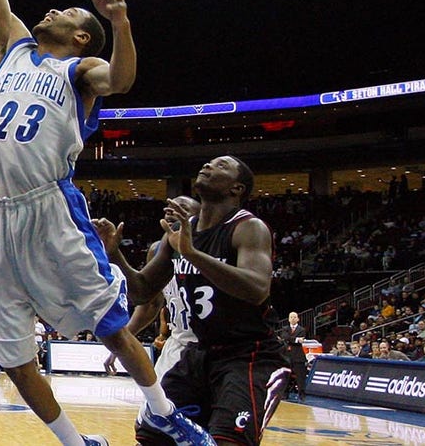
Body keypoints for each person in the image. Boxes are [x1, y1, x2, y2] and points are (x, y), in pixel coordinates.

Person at [0, 0, 211, 446]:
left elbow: (121, 79)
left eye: (64, 13)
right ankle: (75, 442)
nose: (49, 11)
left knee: (112, 324)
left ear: (81, 35)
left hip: (49, 210)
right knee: (12, 351)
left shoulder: (80, 70)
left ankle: (162, 412)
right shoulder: (12, 46)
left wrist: (121, 23)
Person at [93, 157, 290, 446]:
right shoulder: (178, 234)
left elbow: (258, 289)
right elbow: (142, 293)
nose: (209, 166)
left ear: (237, 189)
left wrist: (192, 254)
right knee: (153, 435)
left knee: (227, 441)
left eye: (221, 166)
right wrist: (114, 255)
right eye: (208, 163)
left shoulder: (248, 227)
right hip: (197, 354)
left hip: (247, 355)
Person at [103, 198, 202, 385]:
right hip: (179, 343)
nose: (170, 211)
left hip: (216, 346)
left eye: (181, 208)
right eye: (168, 208)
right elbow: (150, 303)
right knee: (159, 410)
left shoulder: (213, 246)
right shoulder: (158, 250)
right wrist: (123, 343)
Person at [279, 311, 308, 399]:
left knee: (300, 377)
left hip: (298, 356)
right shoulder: (285, 328)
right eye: (291, 317)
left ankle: (301, 394)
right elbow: (284, 337)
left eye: (294, 317)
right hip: (287, 356)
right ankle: (285, 393)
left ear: (298, 319)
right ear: (288, 319)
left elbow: (289, 339)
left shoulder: (302, 329)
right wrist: (296, 339)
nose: (293, 319)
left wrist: (289, 339)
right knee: (286, 375)